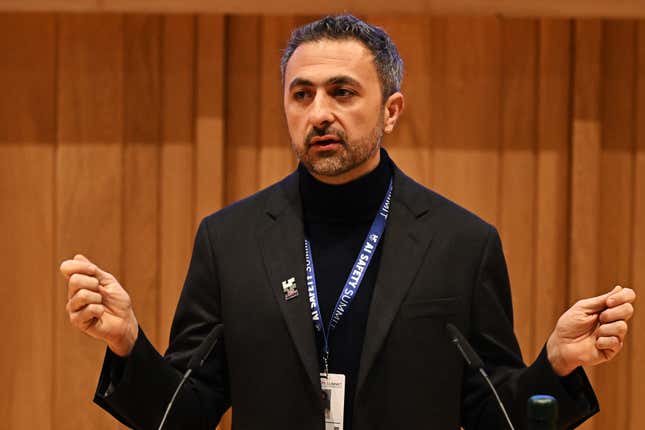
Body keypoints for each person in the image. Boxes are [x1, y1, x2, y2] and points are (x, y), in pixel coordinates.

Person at [60, 15, 636, 430]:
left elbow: (493, 415)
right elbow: (187, 413)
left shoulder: (462, 244)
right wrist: (128, 344)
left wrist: (555, 365)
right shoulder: (228, 240)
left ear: (391, 110)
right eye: (301, 94)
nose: (319, 113)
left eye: (342, 92)